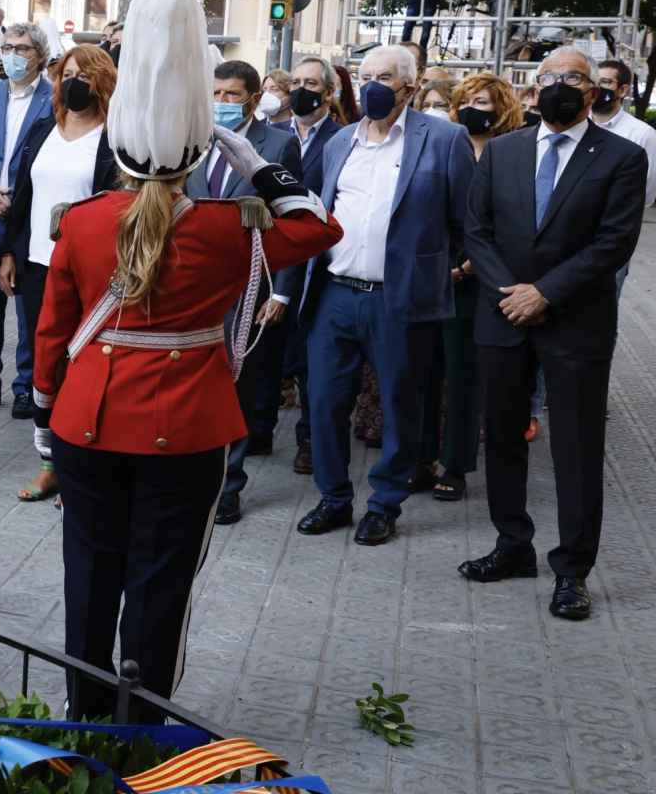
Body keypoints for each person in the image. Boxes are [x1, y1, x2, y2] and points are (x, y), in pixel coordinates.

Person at [39, 0, 342, 715]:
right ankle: (144, 721)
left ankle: (86, 713)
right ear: (197, 148)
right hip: (187, 428)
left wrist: (48, 413)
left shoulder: (80, 221)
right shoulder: (229, 224)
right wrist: (251, 161)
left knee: (89, 573)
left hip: (89, 420)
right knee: (161, 580)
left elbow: (53, 335)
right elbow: (318, 228)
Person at [460, 46, 647, 621]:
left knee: (576, 446)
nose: (559, 85)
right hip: (503, 315)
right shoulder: (504, 151)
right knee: (503, 435)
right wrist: (511, 293)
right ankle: (512, 543)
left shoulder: (620, 156)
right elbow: (477, 230)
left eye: (573, 77)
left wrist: (546, 293)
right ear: (534, 89)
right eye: (549, 77)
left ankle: (572, 570)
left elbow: (613, 243)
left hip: (576, 323)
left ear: (593, 91)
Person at [296, 44, 475, 546]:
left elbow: (466, 219)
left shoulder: (444, 139)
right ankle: (332, 498)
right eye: (366, 74)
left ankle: (384, 503)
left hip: (400, 298)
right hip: (334, 292)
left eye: (386, 77)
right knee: (325, 400)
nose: (374, 84)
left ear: (410, 87)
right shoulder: (340, 143)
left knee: (402, 401)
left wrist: (446, 267)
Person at [0, 44, 117, 502]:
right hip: (36, 265)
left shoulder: (115, 137)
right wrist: (9, 253)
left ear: (104, 82)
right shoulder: (43, 129)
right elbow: (24, 194)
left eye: (86, 75)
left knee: (85, 368)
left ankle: (83, 469)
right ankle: (50, 462)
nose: (75, 82)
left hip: (92, 273)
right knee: (44, 365)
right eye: (68, 73)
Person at [197, 60, 304, 524]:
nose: (222, 103)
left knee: (235, 386)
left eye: (232, 95)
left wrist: (280, 293)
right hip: (195, 279)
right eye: (216, 93)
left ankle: (228, 484)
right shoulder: (194, 138)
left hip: (248, 281)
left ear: (254, 98)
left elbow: (292, 219)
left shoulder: (278, 144)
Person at [420, 73, 525, 503]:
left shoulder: (509, 154)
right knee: (425, 371)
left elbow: (510, 223)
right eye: (466, 101)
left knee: (464, 376)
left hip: (477, 280)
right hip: (432, 275)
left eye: (483, 102)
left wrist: (466, 267)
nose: (472, 109)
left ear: (501, 110)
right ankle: (420, 458)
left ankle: (456, 465)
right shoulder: (445, 145)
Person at [0, 22, 54, 418]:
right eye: (7, 48)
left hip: (28, 216)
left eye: (22, 49)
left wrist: (15, 199)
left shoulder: (54, 101)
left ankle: (26, 385)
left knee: (27, 307)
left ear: (39, 55)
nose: (13, 55)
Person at [272, 56, 345, 476]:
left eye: (311, 83)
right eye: (296, 81)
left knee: (310, 359)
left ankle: (309, 440)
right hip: (278, 256)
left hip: (320, 260)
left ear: (328, 92)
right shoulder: (277, 135)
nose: (302, 89)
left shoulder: (341, 138)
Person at [591, 60, 656, 274]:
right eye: (595, 81)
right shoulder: (575, 127)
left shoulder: (642, 135)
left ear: (623, 90)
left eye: (605, 82)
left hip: (610, 240)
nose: (598, 88)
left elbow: (647, 192)